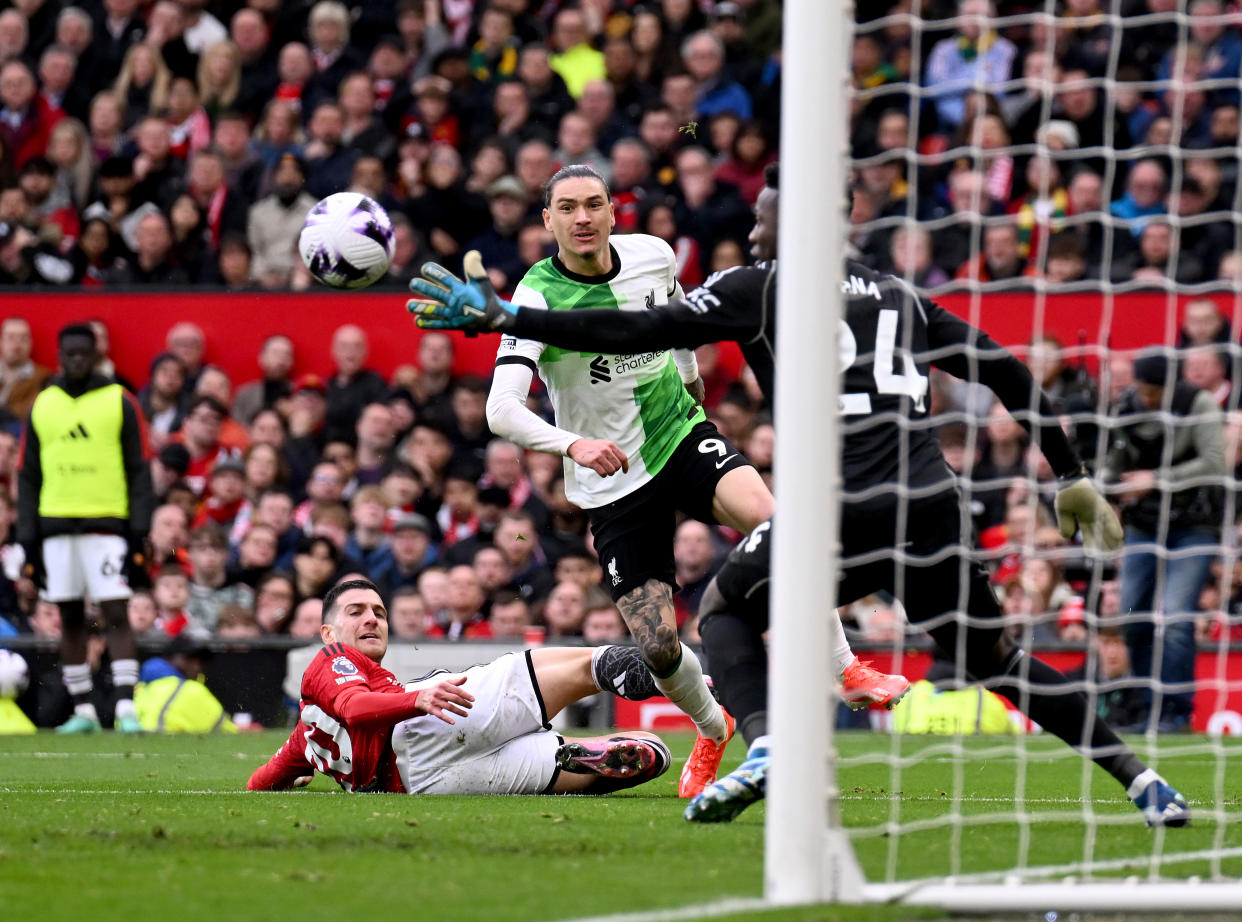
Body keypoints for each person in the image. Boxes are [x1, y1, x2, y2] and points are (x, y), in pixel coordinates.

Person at [407, 163, 1190, 829]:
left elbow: (633, 333)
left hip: (838, 507)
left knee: (724, 610)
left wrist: (507, 315)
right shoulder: (899, 296)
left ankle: (770, 741)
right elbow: (1007, 370)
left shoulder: (760, 285)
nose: (750, 232)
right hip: (929, 506)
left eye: (764, 218)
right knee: (1000, 659)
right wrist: (1071, 473)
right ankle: (1141, 780)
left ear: (803, 222)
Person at [463, 162, 782, 800]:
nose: (583, 218)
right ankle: (712, 727)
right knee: (658, 646)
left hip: (677, 431)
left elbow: (679, 321)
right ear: (547, 220)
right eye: (568, 208)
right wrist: (572, 443)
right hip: (612, 479)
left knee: (777, 523)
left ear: (613, 211)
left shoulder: (653, 256)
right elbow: (501, 411)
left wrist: (691, 379)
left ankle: (841, 668)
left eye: (594, 205)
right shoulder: (533, 297)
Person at [247, 578, 672, 795]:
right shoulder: (332, 659)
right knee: (583, 666)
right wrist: (418, 697)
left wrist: (295, 778)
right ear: (327, 632)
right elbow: (356, 708)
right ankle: (653, 671)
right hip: (428, 726)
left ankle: (584, 753)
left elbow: (260, 782)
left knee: (652, 749)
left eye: (378, 611)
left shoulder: (304, 741)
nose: (372, 619)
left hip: (419, 785)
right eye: (355, 612)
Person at [17, 323, 154, 733]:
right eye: (69, 353)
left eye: (83, 352)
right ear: (59, 356)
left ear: (95, 354)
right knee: (69, 616)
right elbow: (27, 475)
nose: (76, 360)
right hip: (55, 526)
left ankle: (126, 707)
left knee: (115, 611)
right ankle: (83, 711)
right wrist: (28, 537)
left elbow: (139, 468)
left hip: (106, 524)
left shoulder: (119, 400)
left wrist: (139, 530)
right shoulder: (43, 403)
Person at [1100, 351, 1224, 733]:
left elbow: (1216, 461)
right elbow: (1113, 462)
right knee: (1133, 616)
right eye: (1143, 390)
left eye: (1154, 391)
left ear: (1171, 387)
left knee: (1175, 617)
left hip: (1193, 525)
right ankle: (1145, 708)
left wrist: (1156, 479)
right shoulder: (1126, 408)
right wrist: (1108, 484)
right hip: (1144, 525)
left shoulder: (1198, 404)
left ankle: (1176, 711)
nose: (1148, 398)